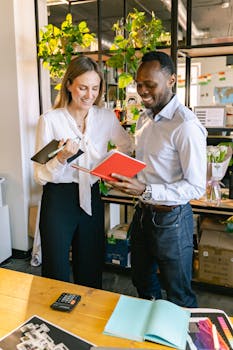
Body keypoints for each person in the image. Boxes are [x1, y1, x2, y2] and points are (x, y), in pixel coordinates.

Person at [108, 51, 207, 307]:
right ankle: (152, 331)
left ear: (171, 80)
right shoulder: (144, 118)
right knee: (141, 279)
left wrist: (145, 188)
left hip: (171, 220)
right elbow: (145, 166)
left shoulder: (185, 126)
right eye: (139, 84)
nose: (142, 91)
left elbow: (195, 186)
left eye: (150, 85)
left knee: (178, 293)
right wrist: (120, 175)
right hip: (142, 214)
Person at [33, 55, 132, 288]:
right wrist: (60, 158)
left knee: (90, 268)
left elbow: (126, 146)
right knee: (55, 271)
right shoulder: (50, 120)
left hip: (92, 196)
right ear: (69, 85)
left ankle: (87, 322)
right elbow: (39, 175)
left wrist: (108, 167)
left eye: (95, 88)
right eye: (83, 88)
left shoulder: (106, 118)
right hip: (59, 199)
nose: (89, 95)